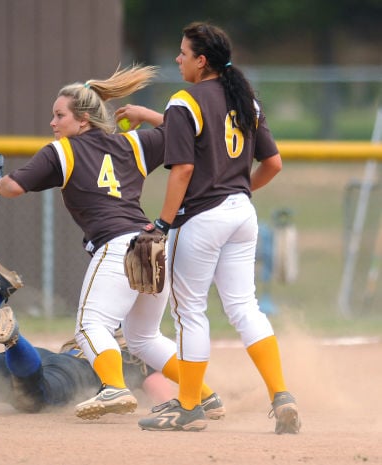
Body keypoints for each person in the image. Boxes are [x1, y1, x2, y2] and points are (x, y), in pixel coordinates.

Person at [0, 65, 225, 420]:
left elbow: (12, 186)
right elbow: (184, 131)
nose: (54, 123)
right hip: (151, 245)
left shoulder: (61, 152)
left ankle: (114, 388)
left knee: (90, 326)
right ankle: (204, 395)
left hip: (117, 245)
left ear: (84, 120)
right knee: (144, 338)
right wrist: (145, 115)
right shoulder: (134, 142)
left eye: (60, 116)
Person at [120, 22, 300, 434]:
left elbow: (183, 168)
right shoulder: (246, 101)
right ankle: (281, 395)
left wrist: (162, 224)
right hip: (242, 214)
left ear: (202, 62)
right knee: (244, 308)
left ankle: (187, 406)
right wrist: (237, 191)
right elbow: (272, 164)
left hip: (201, 218)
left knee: (190, 313)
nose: (177, 59)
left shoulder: (186, 99)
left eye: (183, 53)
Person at [0, 250, 227, 417]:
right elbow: (162, 395)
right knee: (35, 399)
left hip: (48, 360)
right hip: (68, 377)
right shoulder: (141, 352)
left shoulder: (92, 334)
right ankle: (13, 341)